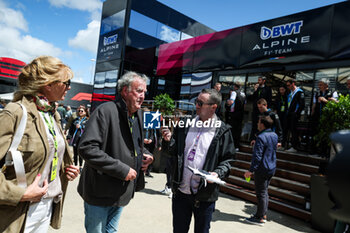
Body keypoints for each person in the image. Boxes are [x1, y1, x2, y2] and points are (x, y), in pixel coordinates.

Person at [0, 56, 80, 233]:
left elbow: (46, 152)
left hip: (47, 205)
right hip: (18, 211)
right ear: (48, 84)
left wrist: (64, 168)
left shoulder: (51, 114)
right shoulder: (15, 112)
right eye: (66, 82)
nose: (69, 87)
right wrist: (19, 194)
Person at [77, 71, 154, 233]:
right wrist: (122, 169)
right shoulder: (105, 111)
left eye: (144, 92)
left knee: (111, 231)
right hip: (100, 191)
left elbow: (136, 144)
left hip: (121, 191)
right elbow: (87, 148)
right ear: (125, 91)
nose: (143, 96)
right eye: (139, 91)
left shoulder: (138, 114)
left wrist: (145, 155)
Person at [162, 88, 235, 233]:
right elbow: (172, 151)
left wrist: (217, 173)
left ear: (213, 107)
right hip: (181, 192)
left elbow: (229, 159)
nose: (196, 105)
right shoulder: (185, 124)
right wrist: (167, 141)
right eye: (196, 102)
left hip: (204, 195)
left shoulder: (223, 130)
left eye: (201, 103)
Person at [244, 115, 278, 226]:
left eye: (258, 122)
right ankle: (262, 214)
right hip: (271, 167)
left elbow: (257, 156)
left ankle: (260, 218)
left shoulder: (261, 137)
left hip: (262, 169)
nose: (257, 124)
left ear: (262, 124)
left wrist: (250, 170)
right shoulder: (274, 135)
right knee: (264, 192)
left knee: (261, 193)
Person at [311, 78, 338, 156]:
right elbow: (314, 104)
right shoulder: (317, 93)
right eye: (318, 84)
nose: (319, 86)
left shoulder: (333, 92)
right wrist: (312, 114)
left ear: (326, 85)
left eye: (321, 85)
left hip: (327, 118)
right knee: (316, 133)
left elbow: (336, 104)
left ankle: (324, 152)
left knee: (325, 135)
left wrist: (325, 101)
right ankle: (315, 151)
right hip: (317, 117)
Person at [283, 79, 305, 152]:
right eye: (287, 85)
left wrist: (296, 113)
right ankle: (285, 145)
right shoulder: (290, 93)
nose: (288, 87)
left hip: (294, 115)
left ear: (293, 84)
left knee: (293, 130)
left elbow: (302, 105)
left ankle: (294, 147)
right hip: (288, 114)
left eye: (289, 85)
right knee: (286, 129)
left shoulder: (299, 92)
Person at [250, 76, 272, 142]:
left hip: (263, 111)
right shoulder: (257, 89)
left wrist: (266, 109)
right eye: (258, 80)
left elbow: (269, 99)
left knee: (262, 125)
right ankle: (253, 139)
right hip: (256, 110)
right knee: (255, 125)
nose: (258, 81)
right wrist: (255, 90)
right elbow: (252, 98)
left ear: (263, 81)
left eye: (260, 80)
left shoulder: (267, 89)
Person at [225, 82, 246, 151]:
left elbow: (231, 102)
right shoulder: (243, 94)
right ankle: (236, 146)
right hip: (240, 115)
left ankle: (231, 146)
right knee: (238, 130)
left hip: (234, 114)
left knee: (232, 130)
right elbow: (244, 104)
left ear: (235, 87)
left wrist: (227, 102)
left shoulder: (234, 93)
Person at [68, 105, 89, 170]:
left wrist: (81, 127)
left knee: (80, 153)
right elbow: (71, 129)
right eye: (79, 111)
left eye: (82, 111)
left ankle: (80, 166)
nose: (80, 112)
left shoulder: (87, 121)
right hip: (75, 139)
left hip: (82, 139)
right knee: (75, 153)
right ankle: (75, 165)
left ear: (85, 112)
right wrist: (69, 137)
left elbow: (89, 130)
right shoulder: (75, 120)